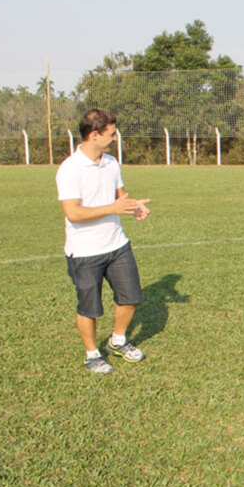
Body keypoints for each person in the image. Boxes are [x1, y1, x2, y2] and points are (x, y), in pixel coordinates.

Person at [56, 109, 151, 374]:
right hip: (85, 252)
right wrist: (113, 208)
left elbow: (120, 195)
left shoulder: (111, 163)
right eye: (110, 134)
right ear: (94, 135)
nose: (114, 139)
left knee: (130, 297)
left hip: (117, 245)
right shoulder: (69, 169)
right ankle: (92, 354)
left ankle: (117, 341)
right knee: (90, 307)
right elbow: (73, 213)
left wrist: (134, 207)